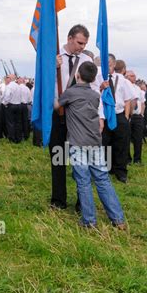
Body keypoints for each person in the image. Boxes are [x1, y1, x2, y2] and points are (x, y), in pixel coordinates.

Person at [56, 62, 126, 229]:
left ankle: (89, 221)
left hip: (77, 143)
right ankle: (118, 219)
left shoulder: (70, 93)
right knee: (103, 178)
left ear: (77, 75)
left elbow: (56, 106)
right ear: (94, 78)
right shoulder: (95, 95)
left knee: (83, 181)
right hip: (95, 142)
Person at [49, 24, 90, 210]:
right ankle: (59, 200)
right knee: (57, 157)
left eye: (84, 43)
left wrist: (101, 118)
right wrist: (51, 67)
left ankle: (82, 201)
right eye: (79, 42)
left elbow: (94, 88)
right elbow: (42, 82)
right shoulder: (53, 56)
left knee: (80, 159)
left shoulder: (86, 60)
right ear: (69, 38)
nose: (81, 47)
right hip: (57, 114)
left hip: (79, 117)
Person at [96, 54, 134, 183]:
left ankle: (120, 171)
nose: (107, 68)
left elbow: (128, 99)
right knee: (104, 143)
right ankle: (104, 169)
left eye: (110, 65)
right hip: (103, 116)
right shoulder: (97, 78)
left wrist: (126, 116)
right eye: (104, 65)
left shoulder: (122, 79)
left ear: (114, 64)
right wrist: (100, 87)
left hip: (119, 115)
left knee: (121, 143)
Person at [126, 70, 145, 165]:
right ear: (127, 76)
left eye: (134, 75)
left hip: (137, 116)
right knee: (126, 138)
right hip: (128, 115)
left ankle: (137, 159)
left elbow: (142, 102)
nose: (134, 77)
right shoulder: (125, 86)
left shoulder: (138, 88)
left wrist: (141, 113)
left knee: (138, 138)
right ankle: (128, 159)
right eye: (132, 76)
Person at [3, 74, 22, 143]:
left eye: (7, 77)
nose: (7, 78)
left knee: (10, 122)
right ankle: (18, 138)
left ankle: (12, 138)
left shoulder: (9, 86)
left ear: (10, 78)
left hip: (11, 105)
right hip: (18, 105)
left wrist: (5, 103)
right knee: (18, 122)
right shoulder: (18, 86)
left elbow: (7, 96)